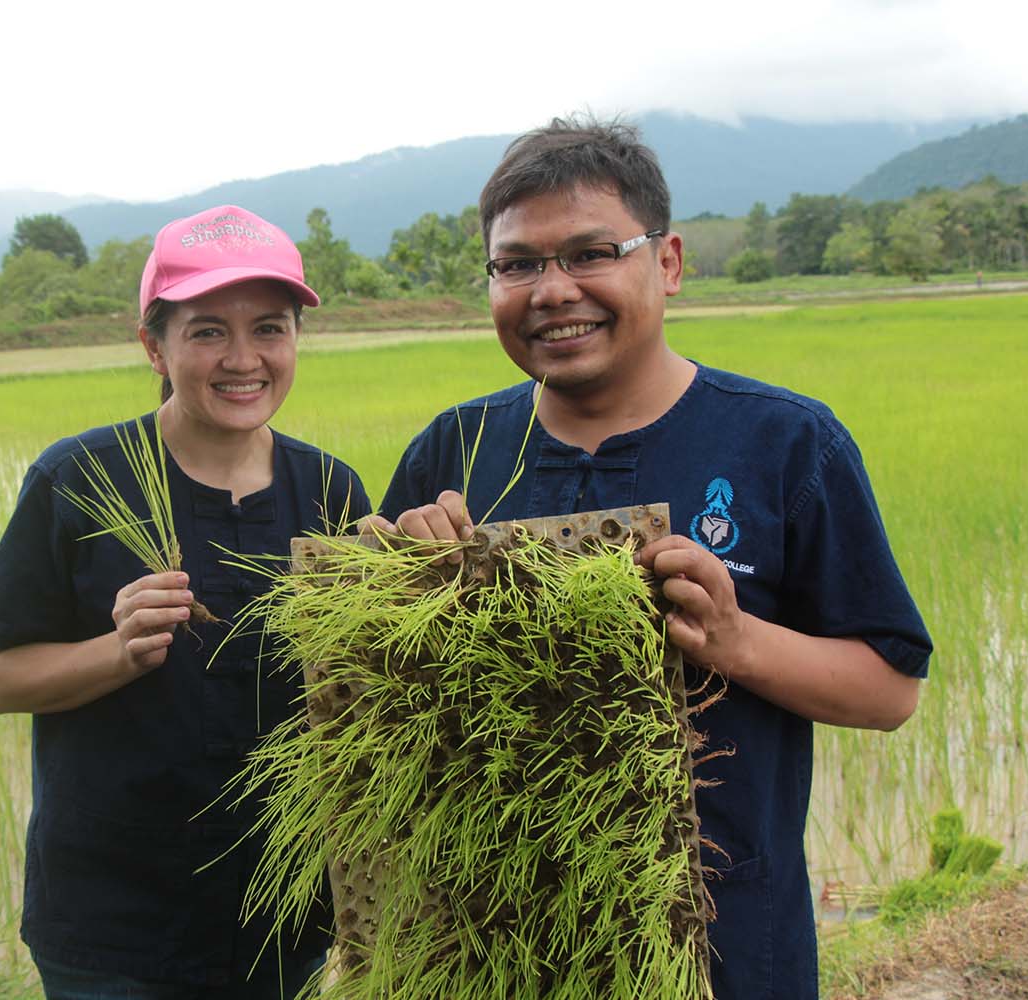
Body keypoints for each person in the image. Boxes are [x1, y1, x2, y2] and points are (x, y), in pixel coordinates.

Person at [374, 118, 933, 999]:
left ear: (666, 262)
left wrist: (735, 641)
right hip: (494, 938)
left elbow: (891, 690)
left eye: (591, 252)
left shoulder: (785, 443)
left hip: (720, 940)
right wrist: (398, 595)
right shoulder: (455, 449)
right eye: (516, 264)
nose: (552, 291)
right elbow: (372, 707)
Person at [0, 205, 371, 999]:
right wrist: (118, 653)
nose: (244, 358)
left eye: (271, 329)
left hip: (283, 918)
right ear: (155, 345)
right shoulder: (77, 479)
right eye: (208, 331)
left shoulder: (329, 488)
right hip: (115, 925)